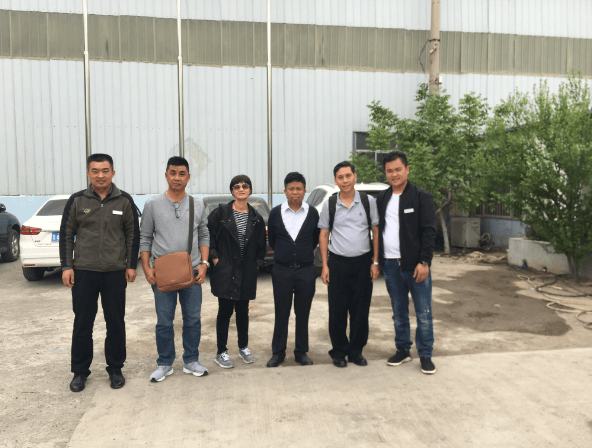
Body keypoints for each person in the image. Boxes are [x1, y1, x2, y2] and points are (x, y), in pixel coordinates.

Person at [60, 153, 140, 392]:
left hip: (114, 273)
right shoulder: (77, 200)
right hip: (83, 272)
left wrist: (131, 265)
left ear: (113, 173)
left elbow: (132, 235)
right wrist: (66, 266)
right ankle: (80, 372)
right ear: (88, 173)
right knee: (82, 323)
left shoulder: (124, 200)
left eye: (105, 171)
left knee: (115, 322)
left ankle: (115, 369)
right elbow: (67, 234)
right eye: (95, 171)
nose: (100, 175)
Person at [140, 157, 210, 382]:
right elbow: (145, 237)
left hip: (192, 271)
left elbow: (204, 234)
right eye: (173, 173)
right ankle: (165, 363)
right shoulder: (152, 204)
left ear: (188, 177)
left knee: (193, 319)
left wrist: (204, 264)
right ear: (166, 176)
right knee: (164, 321)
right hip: (163, 272)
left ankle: (191, 360)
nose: (177, 178)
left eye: (181, 174)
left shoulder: (197, 204)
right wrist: (146, 267)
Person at [376, 151, 437, 374]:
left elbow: (429, 231)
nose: (394, 174)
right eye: (389, 171)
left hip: (415, 266)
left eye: (398, 169)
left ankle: (426, 354)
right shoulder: (382, 198)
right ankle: (403, 349)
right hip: (391, 265)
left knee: (423, 312)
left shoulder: (421, 196)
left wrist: (425, 261)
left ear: (407, 169)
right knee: (398, 312)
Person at [318, 161, 380, 368]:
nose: (344, 180)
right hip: (337, 263)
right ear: (335, 180)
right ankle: (339, 352)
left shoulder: (368, 201)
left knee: (360, 310)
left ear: (355, 176)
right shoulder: (330, 204)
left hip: (363, 263)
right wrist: (325, 265)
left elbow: (375, 232)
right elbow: (324, 235)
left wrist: (375, 262)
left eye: (348, 176)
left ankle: (356, 351)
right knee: (337, 310)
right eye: (340, 177)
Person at [208, 175, 267, 369]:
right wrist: (215, 258)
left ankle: (243, 347)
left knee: (243, 311)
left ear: (250, 190)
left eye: (245, 186)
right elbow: (207, 235)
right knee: (224, 311)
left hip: (246, 271)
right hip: (226, 270)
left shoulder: (256, 218)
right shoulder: (221, 213)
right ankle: (221, 351)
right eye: (237, 186)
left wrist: (256, 264)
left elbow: (261, 245)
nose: (241, 189)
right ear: (232, 191)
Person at [266, 172, 320, 367]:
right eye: (291, 189)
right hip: (282, 271)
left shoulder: (312, 213)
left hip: (306, 271)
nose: (295, 192)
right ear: (285, 191)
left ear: (305, 191)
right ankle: (278, 353)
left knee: (303, 314)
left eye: (299, 189)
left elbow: (314, 239)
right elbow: (273, 239)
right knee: (281, 313)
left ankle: (301, 352)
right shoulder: (275, 213)